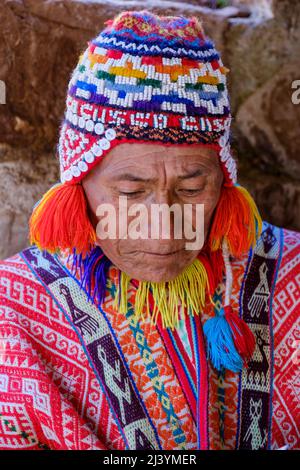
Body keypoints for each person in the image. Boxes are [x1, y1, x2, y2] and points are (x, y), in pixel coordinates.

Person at [0, 9, 299, 450]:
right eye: (130, 192)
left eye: (193, 188)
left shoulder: (292, 272)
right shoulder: (12, 319)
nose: (164, 231)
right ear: (77, 183)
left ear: (225, 180)